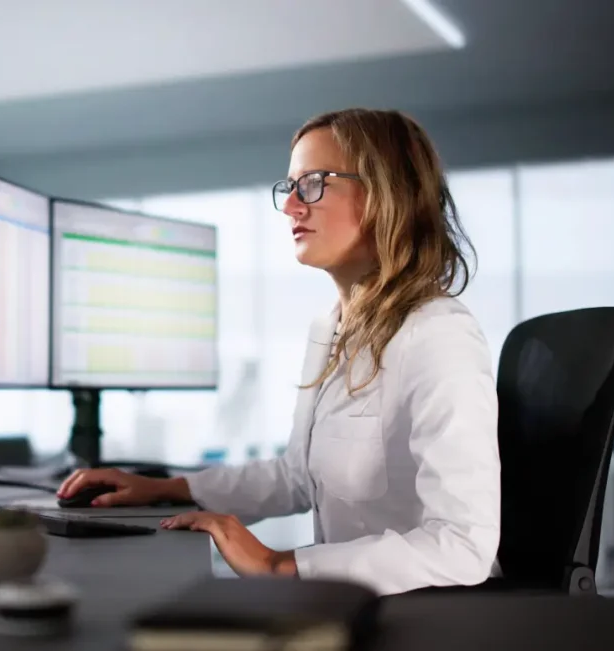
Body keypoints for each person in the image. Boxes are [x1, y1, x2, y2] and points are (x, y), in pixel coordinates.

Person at [56, 108, 501, 596]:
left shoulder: (439, 337)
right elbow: (295, 477)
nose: (290, 206)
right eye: (288, 187)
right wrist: (165, 488)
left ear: (385, 192)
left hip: (423, 615)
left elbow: (462, 544)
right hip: (347, 605)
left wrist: (279, 565)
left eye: (312, 183)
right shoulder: (334, 328)